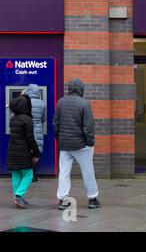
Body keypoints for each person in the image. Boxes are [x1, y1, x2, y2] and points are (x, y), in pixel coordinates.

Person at [53, 79, 101, 210]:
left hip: (65, 144)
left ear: (70, 88)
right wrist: (90, 143)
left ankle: (63, 200)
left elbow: (55, 123)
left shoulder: (60, 102)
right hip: (81, 145)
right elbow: (88, 126)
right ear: (81, 89)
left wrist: (58, 138)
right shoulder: (84, 104)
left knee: (64, 172)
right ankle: (92, 199)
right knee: (88, 172)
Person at [7, 94, 41, 209]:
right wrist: (36, 153)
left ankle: (17, 197)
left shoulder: (13, 118)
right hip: (23, 150)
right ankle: (19, 195)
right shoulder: (27, 119)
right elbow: (30, 138)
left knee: (16, 173)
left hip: (12, 148)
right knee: (28, 174)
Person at [23, 84, 46, 182]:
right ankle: (33, 175)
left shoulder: (24, 101)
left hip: (26, 127)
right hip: (37, 128)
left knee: (26, 149)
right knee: (35, 150)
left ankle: (27, 175)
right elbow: (44, 119)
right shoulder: (42, 103)